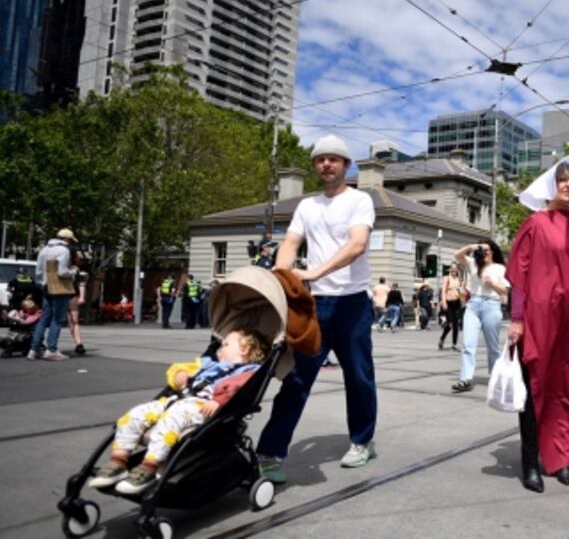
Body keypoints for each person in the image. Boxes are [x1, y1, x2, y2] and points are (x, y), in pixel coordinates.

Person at [257, 134, 378, 483]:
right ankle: (271, 451)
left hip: (353, 302)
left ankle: (361, 440)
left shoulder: (360, 200)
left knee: (358, 376)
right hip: (315, 305)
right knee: (297, 377)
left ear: (346, 165)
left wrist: (314, 272)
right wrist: (281, 278)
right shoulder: (307, 206)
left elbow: (357, 244)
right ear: (315, 166)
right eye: (320, 159)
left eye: (333, 159)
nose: (326, 164)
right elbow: (290, 245)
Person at [506, 158, 569, 493]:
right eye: (562, 180)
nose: (567, 186)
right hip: (540, 320)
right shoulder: (534, 224)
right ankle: (531, 462)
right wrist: (517, 319)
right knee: (537, 391)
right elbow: (519, 275)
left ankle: (566, 457)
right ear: (552, 183)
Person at [88, 329, 268, 494]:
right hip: (175, 400)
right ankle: (118, 461)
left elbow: (237, 388)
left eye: (226, 344)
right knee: (133, 416)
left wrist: (218, 400)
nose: (221, 348)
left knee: (171, 420)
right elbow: (182, 367)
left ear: (245, 349)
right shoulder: (208, 364)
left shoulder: (249, 371)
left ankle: (149, 467)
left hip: (200, 406)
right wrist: (179, 375)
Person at [450, 240, 509, 393]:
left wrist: (492, 284)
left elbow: (505, 291)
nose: (484, 252)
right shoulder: (473, 263)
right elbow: (457, 255)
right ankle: (465, 379)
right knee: (468, 344)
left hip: (492, 305)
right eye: (481, 249)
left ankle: (496, 378)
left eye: (486, 250)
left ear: (493, 251)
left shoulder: (500, 268)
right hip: (473, 305)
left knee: (493, 347)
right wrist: (471, 247)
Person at [29, 228, 80, 361]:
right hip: (60, 289)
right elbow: (62, 272)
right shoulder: (64, 250)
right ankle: (51, 350)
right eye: (70, 241)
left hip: (46, 287)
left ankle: (34, 349)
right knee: (57, 319)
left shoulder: (44, 249)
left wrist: (43, 283)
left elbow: (38, 272)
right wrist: (73, 271)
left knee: (44, 318)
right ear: (67, 239)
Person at [66, 249, 87, 356]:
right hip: (71, 295)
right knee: (74, 321)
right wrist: (82, 297)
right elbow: (81, 283)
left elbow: (81, 283)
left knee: (72, 321)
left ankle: (79, 344)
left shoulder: (72, 268)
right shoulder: (75, 268)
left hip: (65, 295)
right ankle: (79, 344)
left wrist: (82, 296)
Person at [438, 265, 463, 351]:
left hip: (457, 303)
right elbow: (443, 292)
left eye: (455, 269)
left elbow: (461, 291)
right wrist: (444, 302)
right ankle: (442, 338)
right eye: (452, 269)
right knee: (449, 324)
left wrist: (463, 299)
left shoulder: (459, 279)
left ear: (457, 270)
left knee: (456, 325)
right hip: (449, 303)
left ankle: (454, 344)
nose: (454, 270)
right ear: (450, 270)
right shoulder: (447, 278)